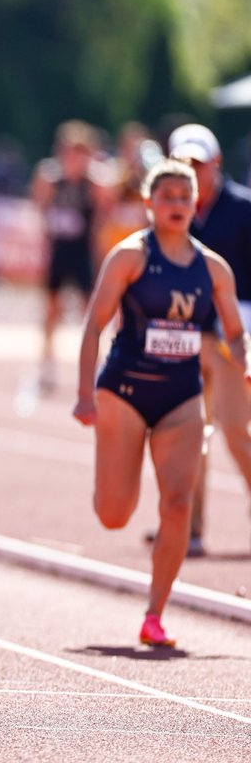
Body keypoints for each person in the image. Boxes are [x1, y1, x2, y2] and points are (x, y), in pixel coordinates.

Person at [73, 158, 247, 647]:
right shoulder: (129, 257)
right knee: (114, 513)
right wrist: (85, 394)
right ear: (149, 202)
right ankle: (113, 479)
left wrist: (245, 360)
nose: (177, 205)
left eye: (185, 197)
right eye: (167, 197)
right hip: (125, 390)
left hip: (180, 395)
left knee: (178, 502)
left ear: (196, 203)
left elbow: (235, 332)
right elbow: (94, 325)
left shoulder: (213, 268)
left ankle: (155, 614)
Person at [165, 123, 251, 557]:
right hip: (184, 338)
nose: (191, 172)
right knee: (187, 433)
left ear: (216, 163)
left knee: (235, 429)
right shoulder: (168, 212)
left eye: (197, 164)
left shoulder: (243, 209)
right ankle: (188, 527)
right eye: (182, 164)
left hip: (229, 339)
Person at [31, 120, 115, 392]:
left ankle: (95, 364)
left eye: (78, 152)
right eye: (68, 151)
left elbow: (106, 208)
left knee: (88, 310)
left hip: (82, 251)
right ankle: (47, 361)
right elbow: (39, 203)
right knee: (51, 307)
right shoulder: (51, 177)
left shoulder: (95, 181)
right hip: (59, 248)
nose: (72, 158)